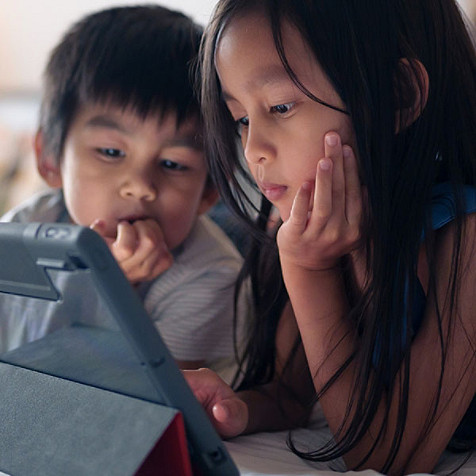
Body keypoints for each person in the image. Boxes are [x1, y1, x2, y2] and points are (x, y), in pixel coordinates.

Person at [184, 0, 476, 474]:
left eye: (280, 106)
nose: (254, 148)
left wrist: (307, 269)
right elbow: (292, 393)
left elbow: (385, 452)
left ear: (397, 95)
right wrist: (237, 410)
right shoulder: (310, 226)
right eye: (241, 118)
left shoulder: (464, 239)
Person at [0, 5, 243, 372]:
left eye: (174, 164)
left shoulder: (210, 275)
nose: (140, 186)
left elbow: (143, 407)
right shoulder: (26, 228)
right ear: (50, 159)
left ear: (210, 191)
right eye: (111, 152)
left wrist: (113, 290)